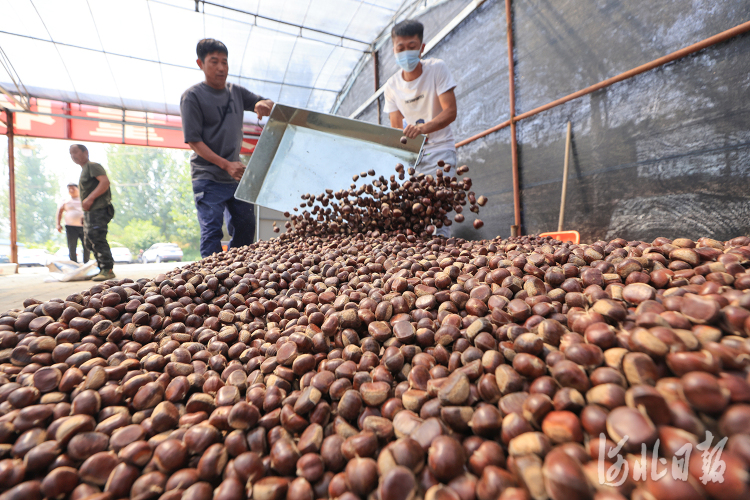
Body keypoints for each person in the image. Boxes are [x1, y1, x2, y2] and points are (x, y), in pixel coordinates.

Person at [180, 38, 275, 258]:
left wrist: (264, 105)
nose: (221, 67)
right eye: (214, 61)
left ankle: (236, 272)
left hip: (235, 177)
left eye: (225, 62)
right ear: (200, 63)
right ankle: (209, 281)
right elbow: (194, 141)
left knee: (246, 227)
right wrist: (226, 165)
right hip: (207, 176)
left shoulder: (236, 93)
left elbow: (267, 103)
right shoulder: (192, 97)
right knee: (212, 231)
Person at [383, 19, 458, 237]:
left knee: (439, 213)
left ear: (422, 47)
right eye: (401, 48)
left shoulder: (437, 69)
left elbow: (450, 112)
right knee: (414, 217)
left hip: (441, 150)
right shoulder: (392, 86)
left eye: (412, 46)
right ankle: (419, 265)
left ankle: (442, 262)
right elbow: (397, 128)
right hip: (414, 157)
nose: (406, 52)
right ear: (394, 51)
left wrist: (422, 128)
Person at [69, 144, 115, 281]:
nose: (73, 155)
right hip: (91, 212)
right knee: (89, 240)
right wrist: (85, 214)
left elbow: (105, 182)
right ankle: (102, 268)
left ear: (85, 152)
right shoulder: (84, 170)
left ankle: (108, 269)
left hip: (99, 208)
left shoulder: (93, 166)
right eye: (70, 153)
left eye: (75, 152)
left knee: (97, 237)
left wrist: (90, 199)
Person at [56, 183, 91, 263]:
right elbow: (60, 212)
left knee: (86, 245)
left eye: (73, 188)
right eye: (69, 189)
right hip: (70, 227)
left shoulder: (84, 199)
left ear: (78, 189)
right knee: (72, 246)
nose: (71, 190)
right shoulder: (65, 200)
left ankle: (86, 262)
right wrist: (58, 224)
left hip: (84, 226)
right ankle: (73, 263)